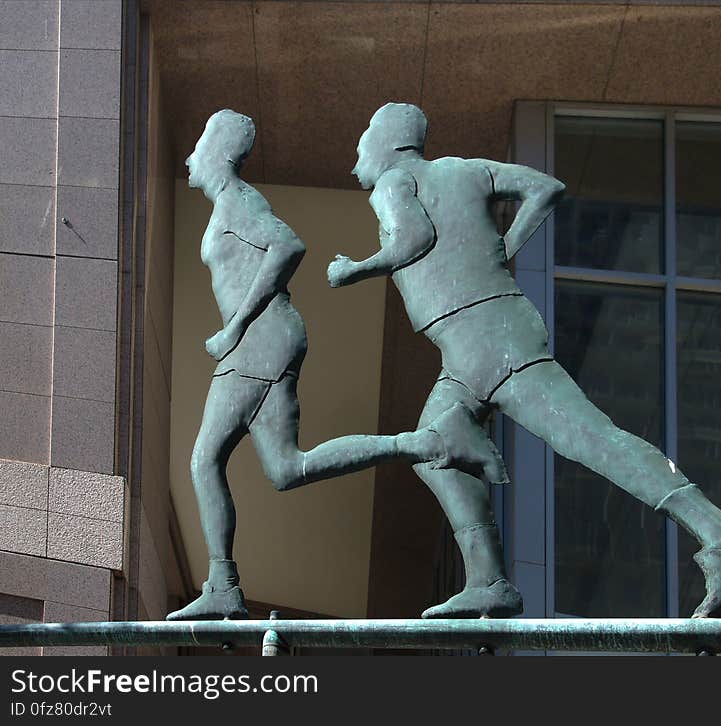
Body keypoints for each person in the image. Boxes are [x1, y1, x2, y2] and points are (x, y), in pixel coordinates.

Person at [327, 102, 721, 619]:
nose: (355, 161)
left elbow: (414, 238)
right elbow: (545, 186)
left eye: (360, 144)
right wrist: (502, 249)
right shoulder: (465, 169)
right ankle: (487, 581)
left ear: (388, 143)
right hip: (474, 342)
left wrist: (356, 269)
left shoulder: (395, 182)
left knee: (586, 435)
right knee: (437, 453)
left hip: (484, 336)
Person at [167, 109, 509, 621]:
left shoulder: (238, 201)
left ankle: (222, 584)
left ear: (217, 154)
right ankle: (424, 442)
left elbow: (288, 245)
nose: (190, 158)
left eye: (199, 146)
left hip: (258, 343)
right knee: (285, 468)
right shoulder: (228, 205)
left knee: (203, 459)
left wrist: (236, 324)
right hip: (265, 343)